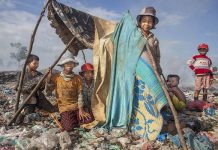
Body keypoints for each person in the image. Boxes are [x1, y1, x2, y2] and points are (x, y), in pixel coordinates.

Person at [46, 57, 95, 131]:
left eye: (71, 63)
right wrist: (48, 79)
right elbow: (48, 92)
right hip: (64, 107)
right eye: (67, 63)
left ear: (74, 65)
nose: (69, 65)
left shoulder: (77, 78)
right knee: (68, 128)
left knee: (90, 120)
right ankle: (68, 119)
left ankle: (74, 119)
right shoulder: (56, 77)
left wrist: (81, 109)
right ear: (63, 65)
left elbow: (80, 94)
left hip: (77, 106)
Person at [15, 54, 57, 124]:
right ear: (28, 63)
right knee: (29, 114)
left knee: (51, 110)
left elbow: (42, 88)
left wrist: (48, 78)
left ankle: (39, 110)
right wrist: (28, 88)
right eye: (34, 63)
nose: (37, 65)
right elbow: (17, 88)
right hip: (28, 99)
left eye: (38, 64)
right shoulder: (22, 74)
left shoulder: (39, 74)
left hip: (40, 98)